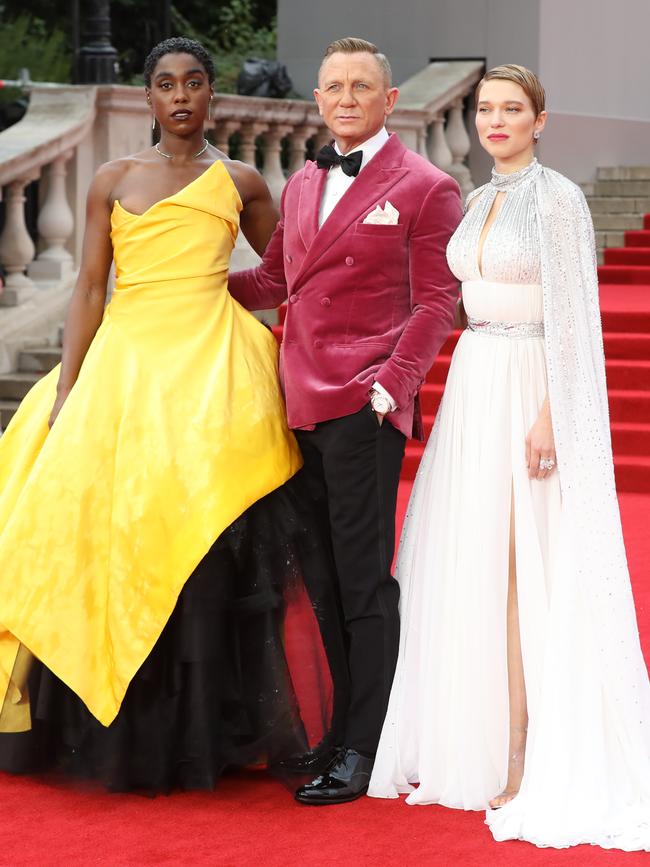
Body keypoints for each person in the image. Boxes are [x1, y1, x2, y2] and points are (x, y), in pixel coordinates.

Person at [0, 37, 347, 792]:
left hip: (215, 373)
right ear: (150, 97)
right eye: (165, 84)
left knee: (207, 537)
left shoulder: (244, 180)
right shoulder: (111, 178)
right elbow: (89, 287)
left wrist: (339, 339)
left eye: (193, 82)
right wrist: (67, 392)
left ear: (210, 94)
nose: (180, 96)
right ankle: (104, 715)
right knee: (107, 531)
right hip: (125, 371)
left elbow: (290, 275)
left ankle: (211, 726)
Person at [368, 64, 650, 850]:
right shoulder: (481, 196)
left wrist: (552, 415)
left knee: (529, 568)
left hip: (532, 380)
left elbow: (574, 317)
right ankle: (482, 736)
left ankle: (528, 753)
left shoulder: (558, 199)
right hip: (475, 384)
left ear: (540, 119)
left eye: (510, 109)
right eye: (486, 108)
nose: (494, 120)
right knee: (477, 559)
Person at [228, 37, 461, 805]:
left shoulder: (426, 186)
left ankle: (367, 742)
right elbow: (275, 278)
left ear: (390, 101)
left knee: (363, 582)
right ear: (319, 101)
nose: (348, 97)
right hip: (296, 405)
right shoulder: (300, 183)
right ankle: (341, 729)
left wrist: (391, 386)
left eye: (363, 86)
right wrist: (182, 280)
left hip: (365, 406)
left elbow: (436, 302)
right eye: (334, 87)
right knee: (320, 577)